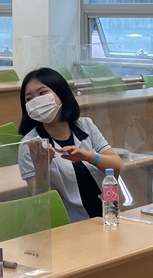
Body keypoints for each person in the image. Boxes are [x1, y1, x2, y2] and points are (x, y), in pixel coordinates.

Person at [18, 68, 125, 223]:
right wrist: (41, 167)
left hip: (108, 214)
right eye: (29, 98)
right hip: (70, 224)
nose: (36, 101)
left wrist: (89, 156)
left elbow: (116, 165)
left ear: (61, 93)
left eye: (42, 93)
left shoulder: (85, 125)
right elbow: (40, 200)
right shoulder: (30, 144)